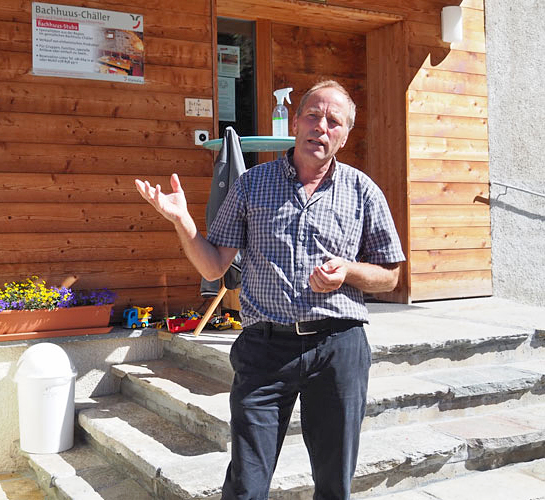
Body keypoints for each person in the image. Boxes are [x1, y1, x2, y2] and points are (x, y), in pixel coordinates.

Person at [134, 80, 406, 500]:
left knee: (335, 485)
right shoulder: (251, 185)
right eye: (313, 115)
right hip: (265, 350)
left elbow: (390, 275)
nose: (321, 126)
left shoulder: (363, 191)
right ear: (295, 123)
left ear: (345, 135)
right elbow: (214, 264)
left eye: (333, 121)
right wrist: (182, 222)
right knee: (246, 483)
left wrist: (348, 271)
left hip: (339, 349)